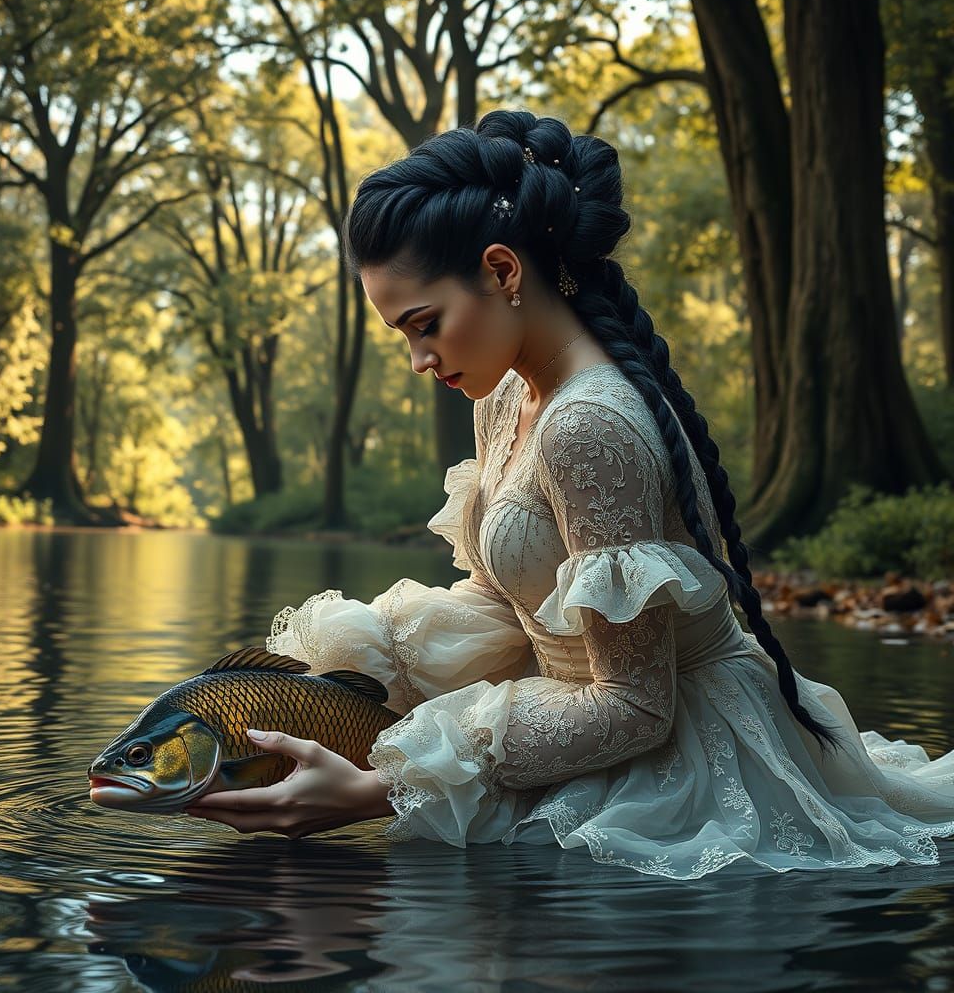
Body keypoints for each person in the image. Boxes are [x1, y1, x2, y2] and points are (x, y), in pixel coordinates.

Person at [186, 110, 954, 879]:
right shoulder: (504, 395)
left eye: (426, 325)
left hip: (678, 764)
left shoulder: (589, 426)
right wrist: (347, 679)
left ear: (502, 271)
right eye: (402, 336)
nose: (419, 359)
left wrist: (387, 787)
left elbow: (637, 708)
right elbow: (504, 605)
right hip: (570, 716)